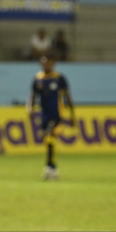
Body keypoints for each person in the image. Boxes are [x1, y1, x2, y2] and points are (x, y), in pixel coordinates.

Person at [26, 53, 75, 181]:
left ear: (53, 63)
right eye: (43, 63)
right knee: (48, 140)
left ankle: (49, 168)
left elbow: (68, 97)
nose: (45, 65)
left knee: (49, 136)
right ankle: (53, 168)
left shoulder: (59, 78)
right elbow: (32, 96)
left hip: (58, 115)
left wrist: (72, 115)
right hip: (44, 115)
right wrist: (29, 108)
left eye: (48, 62)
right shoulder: (38, 79)